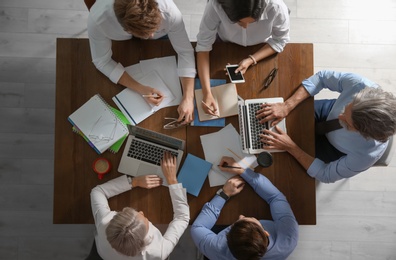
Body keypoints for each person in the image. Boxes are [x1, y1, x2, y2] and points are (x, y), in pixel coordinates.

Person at [257, 70, 396, 183]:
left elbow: (325, 174)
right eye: (346, 109)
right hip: (327, 111)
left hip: (332, 149)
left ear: (364, 134)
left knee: (280, 162)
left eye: (347, 123)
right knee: (280, 121)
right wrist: (286, 106)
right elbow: (322, 78)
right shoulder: (360, 85)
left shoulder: (367, 155)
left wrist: (291, 147)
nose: (339, 118)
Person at [87, 0, 196, 124]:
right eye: (147, 33)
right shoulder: (98, 21)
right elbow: (102, 61)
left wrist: (188, 98)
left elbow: (185, 52)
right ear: (126, 29)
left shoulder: (170, 12)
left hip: (162, 39)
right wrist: (140, 88)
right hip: (121, 44)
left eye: (155, 29)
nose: (152, 35)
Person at [191, 156, 298, 260]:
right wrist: (242, 170)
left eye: (236, 223)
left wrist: (224, 194)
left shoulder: (217, 249)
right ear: (266, 233)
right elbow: (275, 197)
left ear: (227, 240)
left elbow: (198, 227)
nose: (241, 216)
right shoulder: (288, 238)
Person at [195, 0, 290, 116]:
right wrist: (207, 92)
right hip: (224, 43)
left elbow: (280, 40)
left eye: (253, 22)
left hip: (261, 47)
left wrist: (251, 59)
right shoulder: (216, 4)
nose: (245, 27)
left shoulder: (277, 7)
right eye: (239, 22)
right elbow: (203, 45)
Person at [90, 152, 189, 259]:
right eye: (146, 220)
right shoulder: (158, 251)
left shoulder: (105, 222)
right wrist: (172, 180)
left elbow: (97, 192)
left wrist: (134, 182)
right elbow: (182, 217)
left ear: (114, 219)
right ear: (144, 241)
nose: (141, 212)